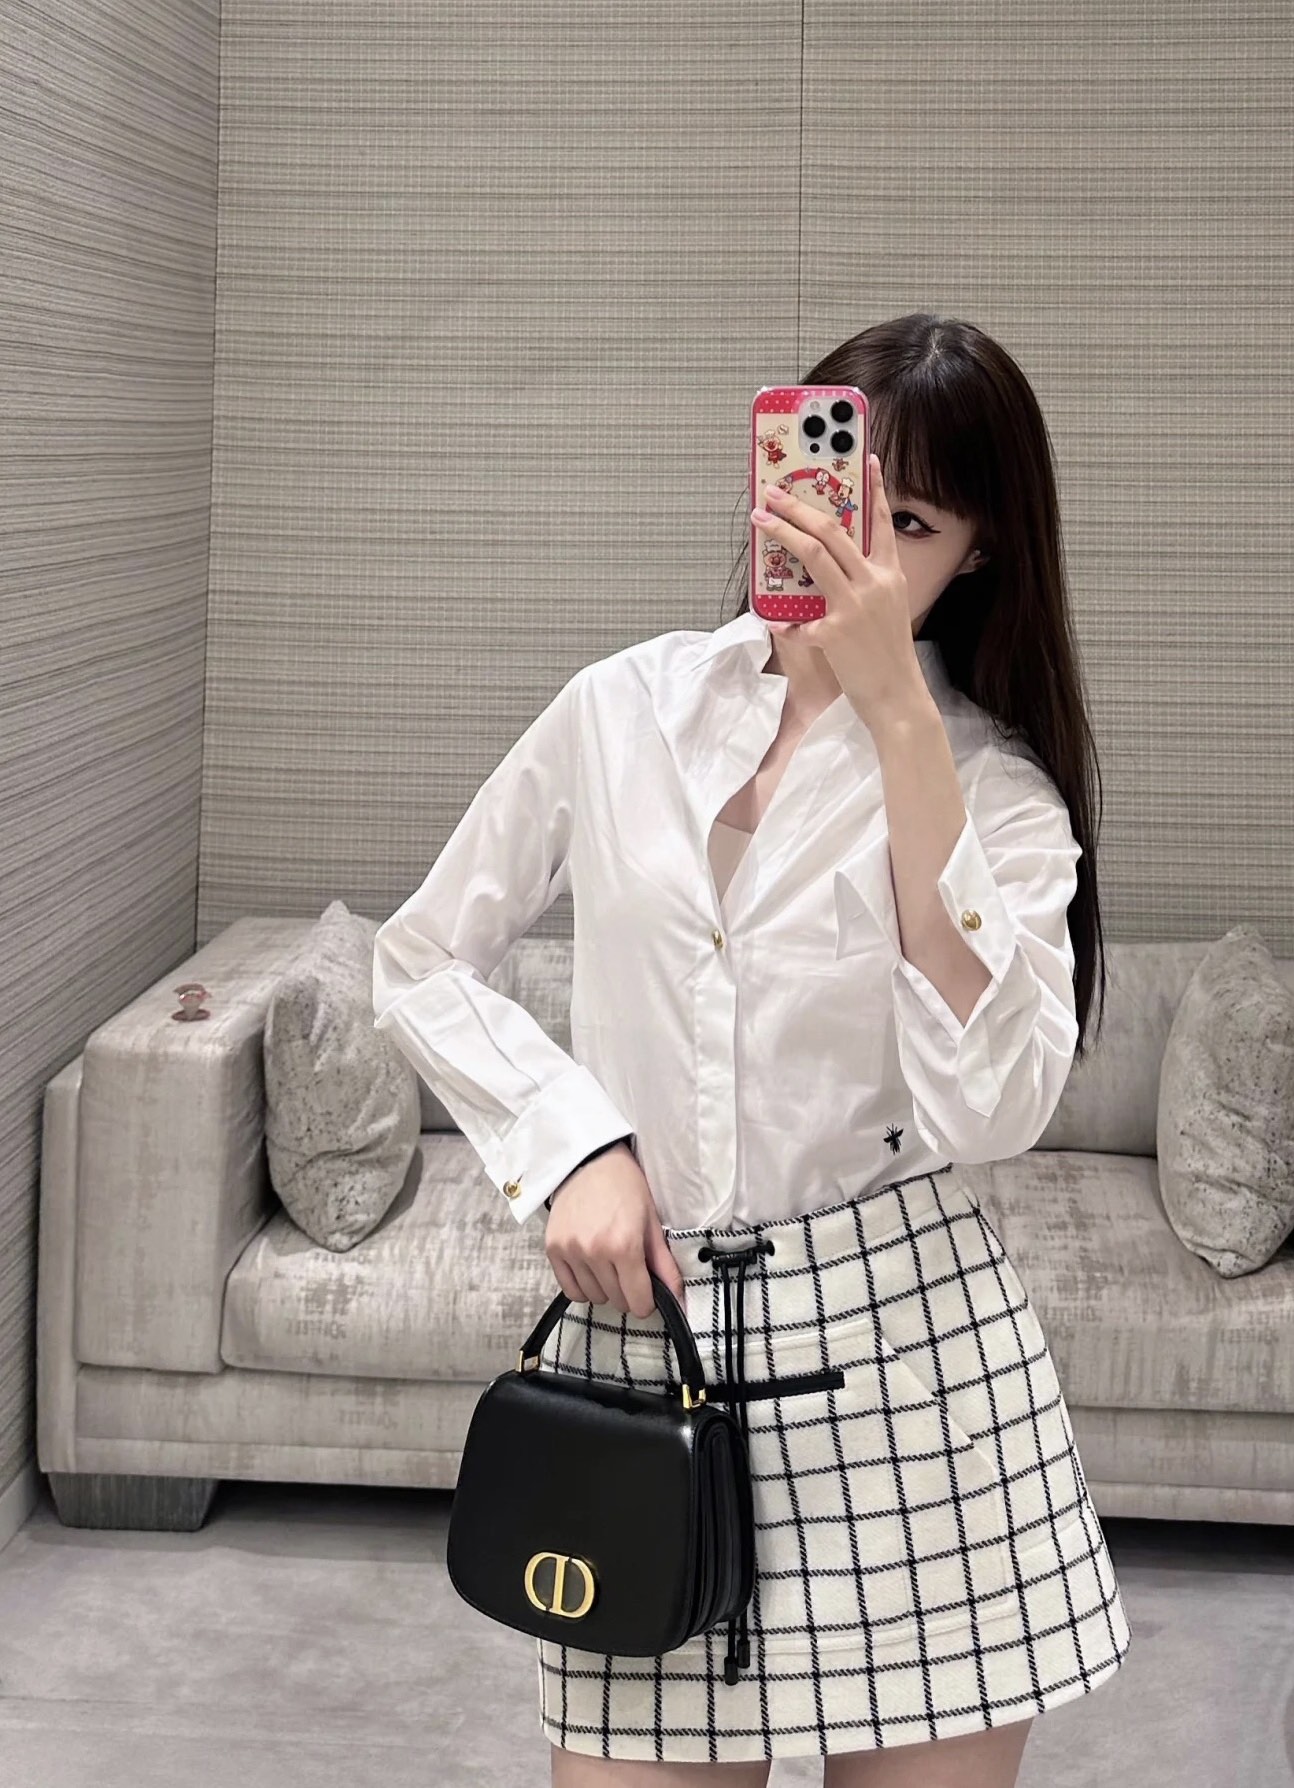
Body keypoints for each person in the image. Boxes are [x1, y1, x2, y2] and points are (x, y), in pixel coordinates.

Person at [372, 311, 1131, 1788]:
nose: (852, 550)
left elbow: (992, 1109)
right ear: (773, 471)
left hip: (912, 1378)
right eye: (836, 492)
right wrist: (572, 1145)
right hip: (651, 1355)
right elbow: (419, 957)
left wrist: (901, 723)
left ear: (978, 553)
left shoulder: (999, 793)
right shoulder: (622, 710)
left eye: (908, 525)